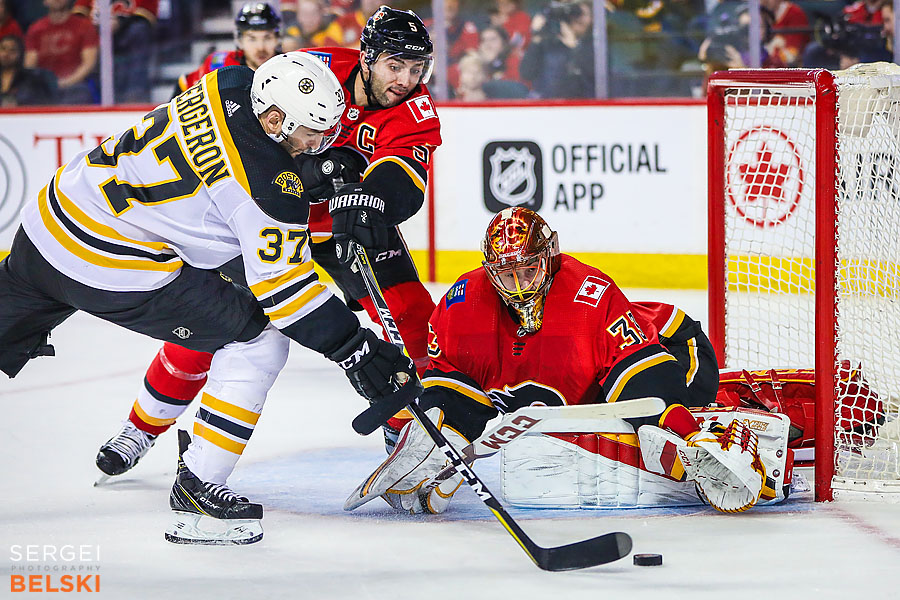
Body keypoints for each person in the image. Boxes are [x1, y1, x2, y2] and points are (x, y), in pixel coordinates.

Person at [0, 51, 417, 544]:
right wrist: (356, 348)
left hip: (48, 219)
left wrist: (310, 169)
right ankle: (200, 487)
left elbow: (232, 171)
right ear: (276, 119)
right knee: (257, 342)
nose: (317, 145)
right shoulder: (270, 192)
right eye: (311, 133)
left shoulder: (231, 82)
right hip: (107, 262)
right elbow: (285, 293)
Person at [94, 5, 442, 476]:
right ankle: (142, 426)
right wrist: (311, 171)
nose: (405, 78)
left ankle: (404, 426)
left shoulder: (416, 110)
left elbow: (404, 179)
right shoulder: (313, 69)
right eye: (393, 65)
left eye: (415, 67)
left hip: (351, 223)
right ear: (367, 56)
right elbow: (256, 140)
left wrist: (369, 202)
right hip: (273, 222)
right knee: (213, 326)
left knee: (414, 312)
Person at [346, 208, 787, 515]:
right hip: (574, 385)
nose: (517, 285)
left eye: (528, 270)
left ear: (550, 257)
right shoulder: (461, 305)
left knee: (663, 410)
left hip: (675, 346)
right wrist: (439, 430)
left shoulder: (587, 297)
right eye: (505, 273)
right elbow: (453, 387)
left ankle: (711, 428)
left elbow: (644, 380)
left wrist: (682, 429)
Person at [174, 2, 281, 96]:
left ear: (277, 39)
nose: (260, 47)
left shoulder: (289, 67)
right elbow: (184, 84)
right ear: (239, 41)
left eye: (267, 38)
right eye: (252, 39)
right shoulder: (220, 65)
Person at [72, 0, 158, 103]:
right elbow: (79, 13)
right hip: (94, 34)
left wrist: (120, 22)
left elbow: (146, 15)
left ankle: (134, 97)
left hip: (128, 34)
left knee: (139, 30)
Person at [23, 0, 98, 104]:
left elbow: (88, 64)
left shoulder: (85, 26)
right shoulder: (35, 29)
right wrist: (44, 84)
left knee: (81, 94)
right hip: (43, 88)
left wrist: (65, 83)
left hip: (75, 86)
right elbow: (30, 65)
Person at [519, 0, 594, 99]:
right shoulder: (548, 41)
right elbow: (526, 74)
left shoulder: (595, 45)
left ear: (592, 18)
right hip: (544, 104)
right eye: (575, 13)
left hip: (578, 105)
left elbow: (593, 77)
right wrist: (536, 38)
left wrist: (574, 46)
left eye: (583, 14)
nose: (578, 19)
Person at [0, 33, 57, 106]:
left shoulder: (31, 78)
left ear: (20, 54)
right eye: (3, 49)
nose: (6, 54)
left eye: (12, 50)